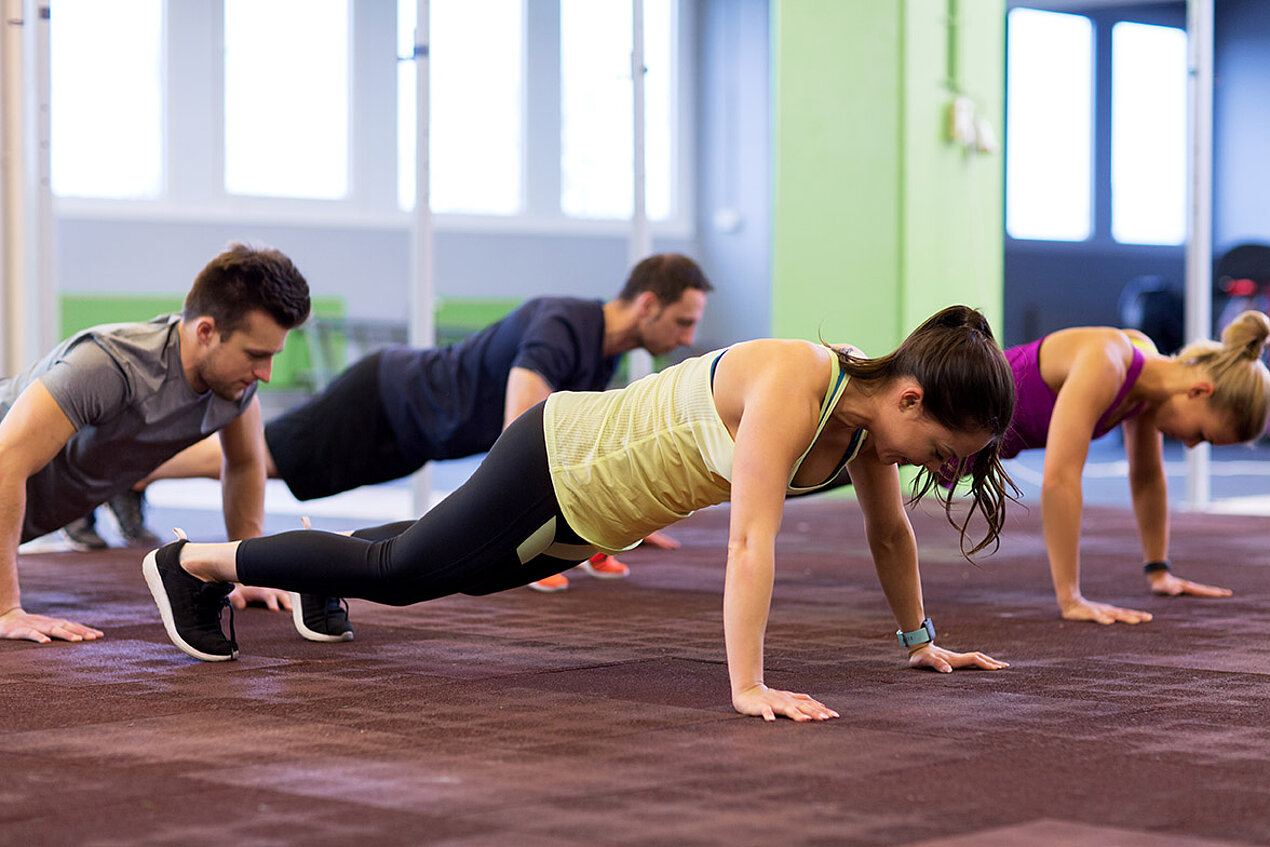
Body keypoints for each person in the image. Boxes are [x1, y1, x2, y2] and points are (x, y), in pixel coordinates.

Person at [144, 305, 1015, 722]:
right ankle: (196, 566)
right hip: (563, 458)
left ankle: (305, 575)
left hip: (600, 509)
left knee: (447, 566)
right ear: (909, 396)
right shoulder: (801, 382)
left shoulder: (867, 429)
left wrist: (918, 641)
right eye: (941, 447)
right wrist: (747, 687)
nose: (937, 469)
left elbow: (889, 530)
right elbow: (750, 540)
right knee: (406, 574)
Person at [136, 253, 713, 594]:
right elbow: (529, 428)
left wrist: (630, 508)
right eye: (683, 322)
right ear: (646, 304)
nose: (687, 339)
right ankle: (133, 475)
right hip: (388, 397)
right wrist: (514, 517)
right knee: (266, 458)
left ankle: (135, 477)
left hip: (416, 429)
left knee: (277, 463)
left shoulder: (603, 350)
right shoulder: (564, 323)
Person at [0, 242, 313, 646]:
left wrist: (244, 571)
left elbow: (244, 463)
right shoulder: (109, 365)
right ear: (206, 332)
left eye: (272, 356)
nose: (266, 374)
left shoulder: (234, 389)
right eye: (255, 355)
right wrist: (6, 608)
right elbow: (6, 458)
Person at [948, 312, 1270, 625]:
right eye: (1201, 435)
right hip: (949, 410)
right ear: (1199, 391)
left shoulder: (1148, 384)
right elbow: (1060, 479)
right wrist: (1070, 598)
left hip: (971, 443)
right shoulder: (1107, 361)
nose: (1189, 445)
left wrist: (1159, 571)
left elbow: (1147, 477)